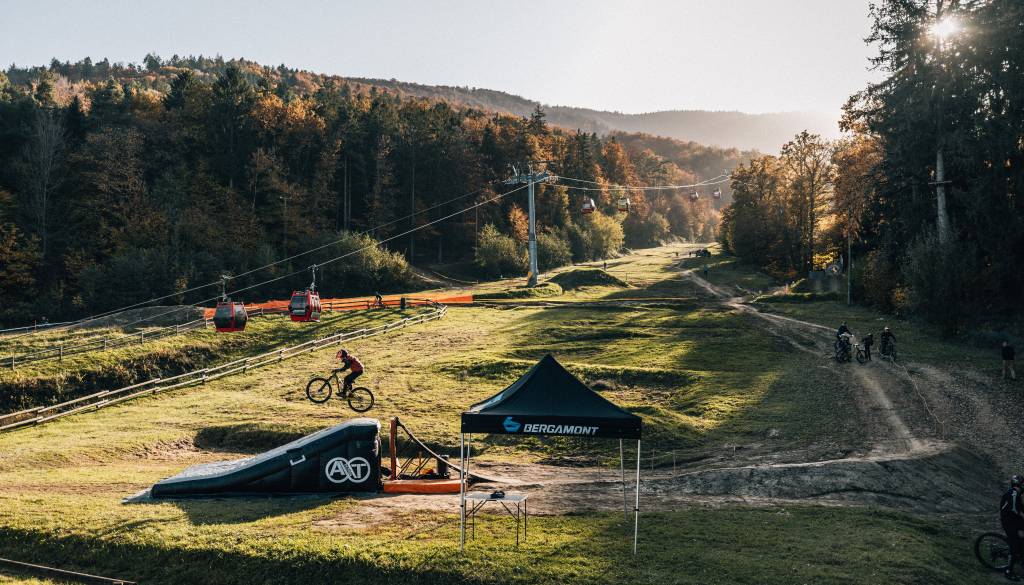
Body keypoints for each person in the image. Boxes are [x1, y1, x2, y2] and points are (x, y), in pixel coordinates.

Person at [1002, 475, 1024, 580]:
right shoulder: (1013, 494)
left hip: (1015, 519)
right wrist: (1022, 515)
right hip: (1009, 522)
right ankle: (1008, 571)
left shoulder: (1018, 492)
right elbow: (1015, 509)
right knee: (1015, 544)